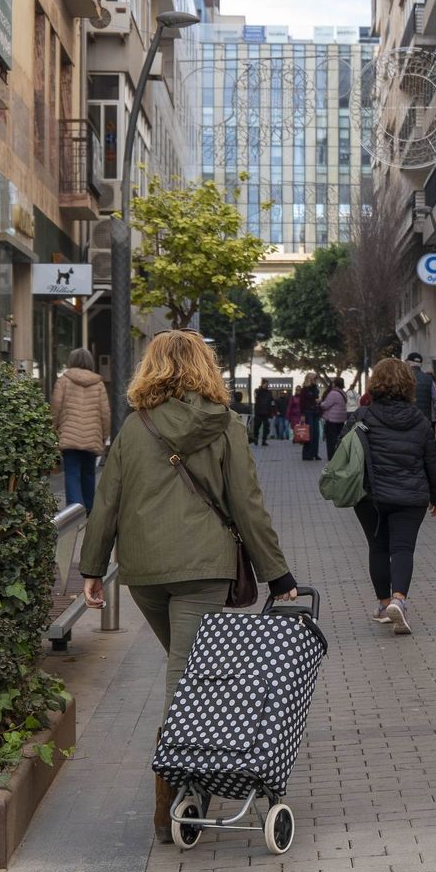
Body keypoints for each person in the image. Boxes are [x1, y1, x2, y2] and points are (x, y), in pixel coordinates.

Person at [78, 329, 297, 843]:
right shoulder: (225, 426)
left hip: (144, 573)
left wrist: (92, 568)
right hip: (204, 569)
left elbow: (105, 501)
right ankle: (175, 797)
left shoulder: (135, 427)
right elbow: (247, 505)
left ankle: (191, 780)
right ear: (205, 366)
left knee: (188, 670)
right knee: (188, 683)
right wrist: (278, 574)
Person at [349, 358, 436, 635]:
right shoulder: (420, 420)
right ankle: (399, 600)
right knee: (403, 549)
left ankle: (383, 604)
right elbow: (432, 463)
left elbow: (343, 455)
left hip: (370, 497)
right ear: (409, 385)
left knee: (377, 548)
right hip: (410, 495)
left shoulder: (362, 417)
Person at [50, 348, 110, 514]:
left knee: (72, 473)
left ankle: (74, 510)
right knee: (89, 474)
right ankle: (90, 509)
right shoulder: (98, 383)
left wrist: (52, 429)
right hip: (92, 437)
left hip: (69, 436)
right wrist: (104, 435)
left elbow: (55, 407)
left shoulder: (63, 381)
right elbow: (105, 413)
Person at [406, 353, 436, 439]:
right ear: (421, 364)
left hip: (406, 420)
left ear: (409, 363)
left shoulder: (403, 378)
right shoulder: (429, 379)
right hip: (425, 420)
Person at [321, 377, 349, 461]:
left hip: (332, 419)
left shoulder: (333, 393)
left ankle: (331, 457)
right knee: (338, 438)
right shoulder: (343, 393)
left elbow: (326, 405)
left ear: (335, 383)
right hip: (341, 419)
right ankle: (339, 456)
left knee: (331, 439)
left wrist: (321, 403)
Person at [298, 376, 323, 461]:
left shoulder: (315, 388)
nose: (315, 380)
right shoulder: (305, 389)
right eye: (314, 379)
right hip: (307, 412)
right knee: (309, 433)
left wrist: (318, 402)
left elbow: (315, 398)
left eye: (316, 379)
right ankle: (307, 454)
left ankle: (315, 453)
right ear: (309, 379)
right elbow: (301, 402)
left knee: (316, 433)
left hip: (315, 412)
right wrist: (302, 415)